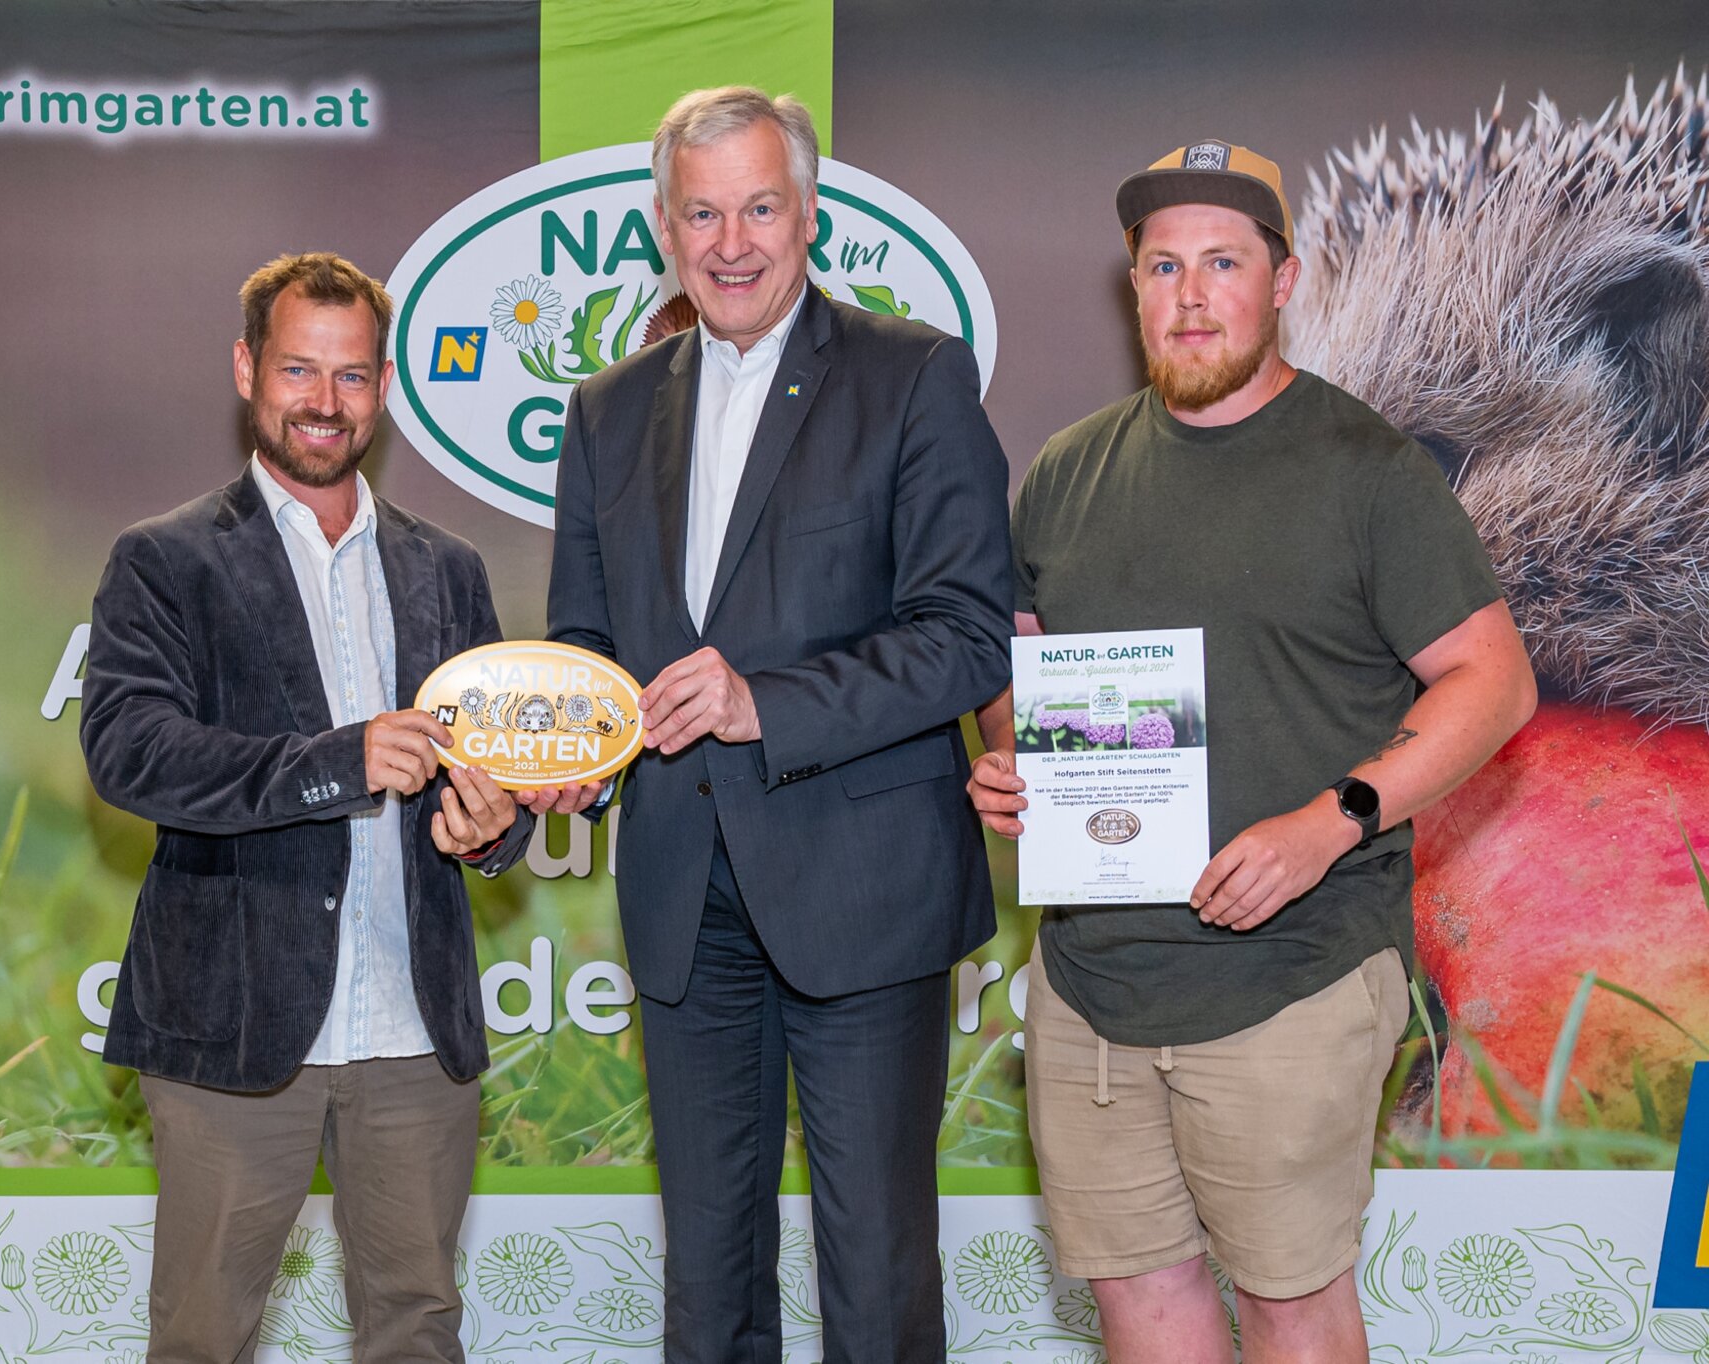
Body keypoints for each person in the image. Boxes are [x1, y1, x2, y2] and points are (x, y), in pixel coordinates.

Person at [969, 143, 1537, 1364]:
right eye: (1161, 264)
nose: (1188, 292)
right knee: (1142, 1304)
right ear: (1131, 287)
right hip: (1091, 982)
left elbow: (1492, 680)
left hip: (1294, 973)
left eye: (1221, 262)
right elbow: (1015, 675)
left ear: (1281, 279)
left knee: (1289, 1306)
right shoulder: (1065, 472)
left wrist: (1329, 816)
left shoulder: (1368, 468)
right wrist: (1012, 759)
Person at [528, 86, 1013, 1362]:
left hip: (863, 891)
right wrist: (573, 744)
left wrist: (762, 704)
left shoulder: (911, 375)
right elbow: (583, 636)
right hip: (686, 897)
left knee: (874, 1279)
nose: (729, 241)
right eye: (701, 212)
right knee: (707, 1279)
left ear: (807, 217)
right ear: (662, 227)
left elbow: (965, 633)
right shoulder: (607, 411)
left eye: (757, 207)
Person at [81, 252, 532, 1364]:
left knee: (418, 1329)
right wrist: (339, 760)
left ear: (383, 386)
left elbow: (493, 781)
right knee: (202, 1333)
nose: (323, 402)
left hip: (412, 1033)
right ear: (246, 371)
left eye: (351, 375)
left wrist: (492, 828)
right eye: (297, 369)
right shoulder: (164, 560)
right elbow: (128, 750)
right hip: (232, 1029)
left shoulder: (449, 568)